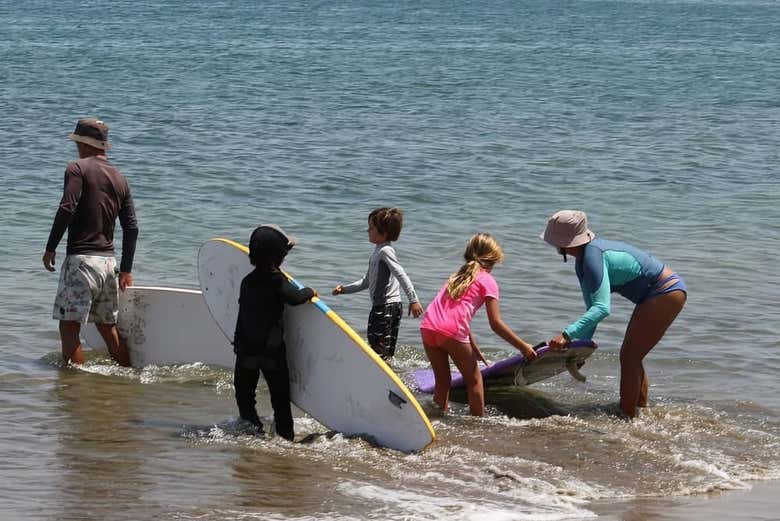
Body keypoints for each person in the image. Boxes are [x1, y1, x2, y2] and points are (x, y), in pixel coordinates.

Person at [540, 210, 687, 418]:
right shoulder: (583, 260)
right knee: (632, 356)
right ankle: (638, 410)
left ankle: (626, 417)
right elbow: (592, 310)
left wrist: (566, 335)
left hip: (665, 291)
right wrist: (578, 350)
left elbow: (602, 308)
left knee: (630, 356)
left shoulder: (592, 258)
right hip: (659, 293)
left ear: (564, 242)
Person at [43, 118, 138, 367]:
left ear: (84, 144)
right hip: (108, 264)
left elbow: (67, 207)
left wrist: (51, 247)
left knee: (69, 326)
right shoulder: (120, 178)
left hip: (81, 262)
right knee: (107, 327)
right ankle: (129, 377)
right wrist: (126, 269)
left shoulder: (77, 168)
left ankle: (75, 383)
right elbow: (131, 228)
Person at [419, 233, 537, 416]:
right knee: (474, 380)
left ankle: (435, 419)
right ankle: (477, 422)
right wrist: (523, 347)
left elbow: (453, 313)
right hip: (451, 332)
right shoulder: (488, 281)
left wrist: (472, 345)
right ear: (493, 259)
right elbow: (495, 323)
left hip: (428, 326)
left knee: (442, 381)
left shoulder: (457, 276)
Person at [233, 224, 316, 440]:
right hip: (271, 352)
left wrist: (237, 344)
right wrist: (310, 291)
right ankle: (286, 437)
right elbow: (296, 297)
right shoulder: (277, 280)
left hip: (246, 350)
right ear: (278, 256)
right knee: (280, 398)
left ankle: (252, 430)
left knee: (244, 395)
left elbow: (242, 316)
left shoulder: (246, 282)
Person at [332, 207, 423, 360]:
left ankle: (381, 372)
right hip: (391, 306)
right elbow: (366, 282)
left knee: (377, 349)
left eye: (371, 228)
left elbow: (401, 274)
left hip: (384, 307)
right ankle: (391, 371)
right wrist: (344, 289)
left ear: (384, 233)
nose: (367, 230)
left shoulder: (385, 251)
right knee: (385, 350)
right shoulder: (378, 252)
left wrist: (413, 300)